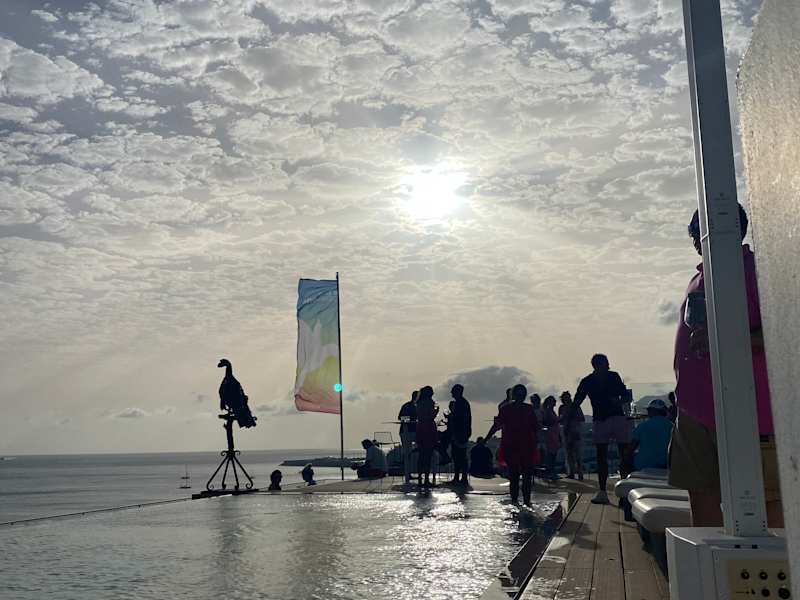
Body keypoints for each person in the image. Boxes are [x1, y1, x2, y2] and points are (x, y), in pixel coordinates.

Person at [670, 205, 782, 527]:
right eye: (694, 230)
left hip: (750, 412)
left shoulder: (757, 271)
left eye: (701, 229)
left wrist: (727, 338)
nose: (697, 237)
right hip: (694, 412)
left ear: (737, 229)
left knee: (766, 505)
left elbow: (785, 332)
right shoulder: (697, 278)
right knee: (701, 497)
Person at [574, 353, 631, 504]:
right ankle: (622, 494)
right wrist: (618, 402)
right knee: (622, 455)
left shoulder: (588, 381)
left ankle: (604, 492)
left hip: (601, 419)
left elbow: (577, 400)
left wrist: (568, 417)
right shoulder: (613, 376)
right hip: (615, 417)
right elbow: (626, 396)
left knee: (603, 457)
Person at [485, 383, 539, 506]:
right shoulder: (528, 409)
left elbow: (496, 426)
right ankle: (526, 501)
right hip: (526, 445)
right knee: (526, 475)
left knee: (514, 475)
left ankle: (515, 501)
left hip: (511, 445)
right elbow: (535, 427)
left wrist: (486, 439)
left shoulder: (506, 409)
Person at [629, 398, 673, 471]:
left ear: (653, 411)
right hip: (665, 464)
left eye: (649, 410)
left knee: (626, 463)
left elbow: (632, 447)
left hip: (643, 465)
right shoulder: (672, 426)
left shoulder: (643, 425)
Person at [415, 386, 439, 488]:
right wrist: (436, 411)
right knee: (428, 455)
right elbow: (430, 415)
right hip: (428, 428)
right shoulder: (430, 402)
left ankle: (420, 479)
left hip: (420, 428)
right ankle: (426, 479)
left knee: (421, 455)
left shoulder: (419, 403)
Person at [448, 384, 472, 485]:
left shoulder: (460, 403)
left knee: (460, 456)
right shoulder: (462, 403)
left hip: (460, 432)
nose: (451, 393)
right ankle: (459, 477)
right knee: (458, 455)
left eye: (453, 391)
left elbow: (458, 418)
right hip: (461, 432)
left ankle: (462, 477)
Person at [559, 391, 584, 480]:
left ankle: (580, 472)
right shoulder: (562, 408)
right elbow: (560, 420)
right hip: (566, 432)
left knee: (577, 454)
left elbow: (582, 418)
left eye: (568, 397)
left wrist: (573, 417)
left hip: (575, 431)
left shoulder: (576, 406)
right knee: (569, 454)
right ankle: (571, 472)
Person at [398, 391, 418, 484]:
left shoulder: (417, 406)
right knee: (407, 453)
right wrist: (411, 420)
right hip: (406, 431)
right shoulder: (407, 406)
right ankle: (407, 473)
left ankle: (411, 472)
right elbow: (400, 417)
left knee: (411, 452)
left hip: (415, 431)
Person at [541, 396, 561, 480]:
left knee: (553, 453)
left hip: (554, 433)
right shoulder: (548, 411)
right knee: (551, 454)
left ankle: (551, 471)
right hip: (551, 433)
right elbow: (547, 421)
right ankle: (550, 472)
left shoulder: (551, 411)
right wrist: (558, 419)